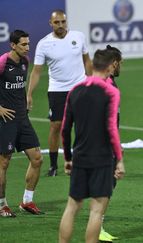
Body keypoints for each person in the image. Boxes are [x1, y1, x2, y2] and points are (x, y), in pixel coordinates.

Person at [58, 49, 125, 243]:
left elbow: (64, 129)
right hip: (102, 158)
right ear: (110, 65)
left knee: (71, 208)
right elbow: (112, 128)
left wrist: (68, 159)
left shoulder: (75, 91)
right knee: (96, 211)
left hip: (79, 156)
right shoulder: (111, 91)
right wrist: (119, 160)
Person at [27, 9, 92, 177]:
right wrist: (29, 94)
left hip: (80, 87)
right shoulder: (44, 44)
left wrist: (94, 82)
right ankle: (54, 165)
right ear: (51, 23)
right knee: (56, 126)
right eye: (57, 22)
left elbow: (87, 60)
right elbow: (36, 71)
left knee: (82, 125)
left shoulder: (78, 36)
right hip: (57, 90)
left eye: (63, 22)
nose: (61, 25)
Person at [0, 30, 44, 217]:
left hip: (22, 119)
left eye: (28, 43)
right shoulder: (2, 63)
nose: (28, 47)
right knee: (4, 162)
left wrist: (27, 98)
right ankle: (2, 205)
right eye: (24, 44)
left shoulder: (25, 63)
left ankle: (27, 201)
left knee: (37, 158)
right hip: (6, 120)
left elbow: (19, 85)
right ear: (13, 45)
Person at [97, 45, 123, 242]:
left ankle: (98, 226)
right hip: (104, 143)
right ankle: (97, 228)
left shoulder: (101, 82)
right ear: (114, 63)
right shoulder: (108, 86)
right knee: (105, 187)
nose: (121, 66)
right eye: (120, 63)